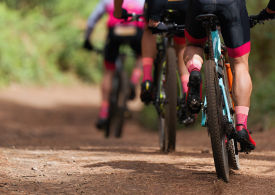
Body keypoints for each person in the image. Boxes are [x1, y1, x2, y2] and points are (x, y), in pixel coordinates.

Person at [125, 0, 275, 152]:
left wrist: (155, 19)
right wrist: (270, 10)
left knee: (194, 46)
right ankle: (241, 126)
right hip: (232, 6)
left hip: (200, 4)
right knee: (239, 64)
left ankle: (195, 70)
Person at [115, 0, 195, 125]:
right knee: (181, 44)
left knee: (148, 29)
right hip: (183, 5)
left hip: (157, 6)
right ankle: (186, 90)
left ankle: (147, 79)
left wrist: (118, 12)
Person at [83, 0, 145, 129]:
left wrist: (87, 40)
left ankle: (104, 112)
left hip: (115, 32)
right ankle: (134, 79)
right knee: (141, 55)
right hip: (136, 31)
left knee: (109, 71)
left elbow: (92, 21)